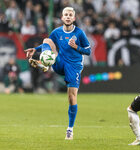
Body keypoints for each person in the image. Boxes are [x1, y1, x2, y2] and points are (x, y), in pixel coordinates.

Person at [24, 7, 91, 140]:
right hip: (60, 62)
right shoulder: (56, 32)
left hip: (74, 66)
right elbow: (49, 43)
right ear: (62, 18)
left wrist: (76, 47)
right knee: (47, 41)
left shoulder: (79, 33)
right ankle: (45, 62)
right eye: (65, 14)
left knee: (72, 98)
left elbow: (88, 51)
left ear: (74, 18)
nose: (67, 17)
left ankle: (70, 129)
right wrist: (35, 50)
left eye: (70, 15)